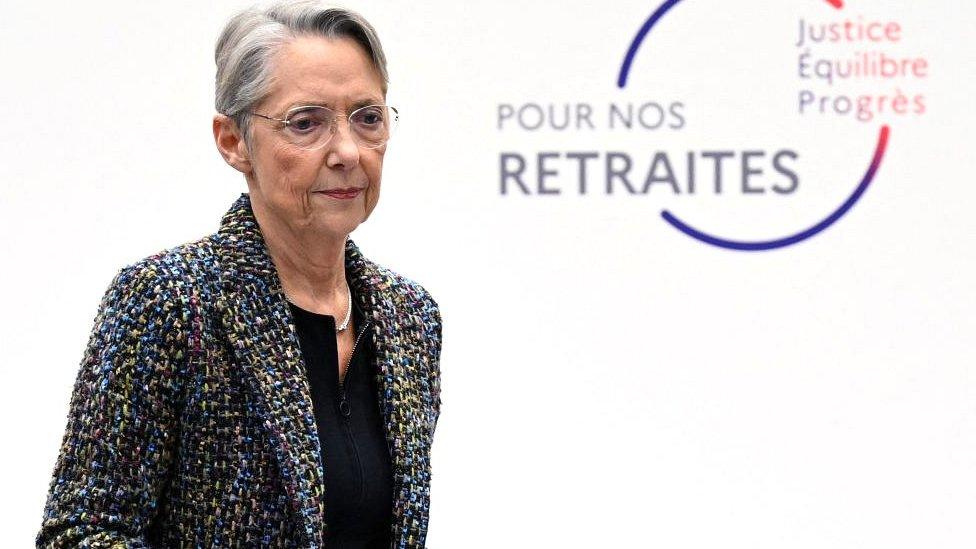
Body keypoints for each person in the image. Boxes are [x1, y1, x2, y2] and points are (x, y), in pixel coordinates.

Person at [35, 1, 442, 547]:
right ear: (232, 141)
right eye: (307, 122)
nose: (347, 150)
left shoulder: (410, 318)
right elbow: (79, 533)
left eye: (368, 117)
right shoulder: (170, 301)